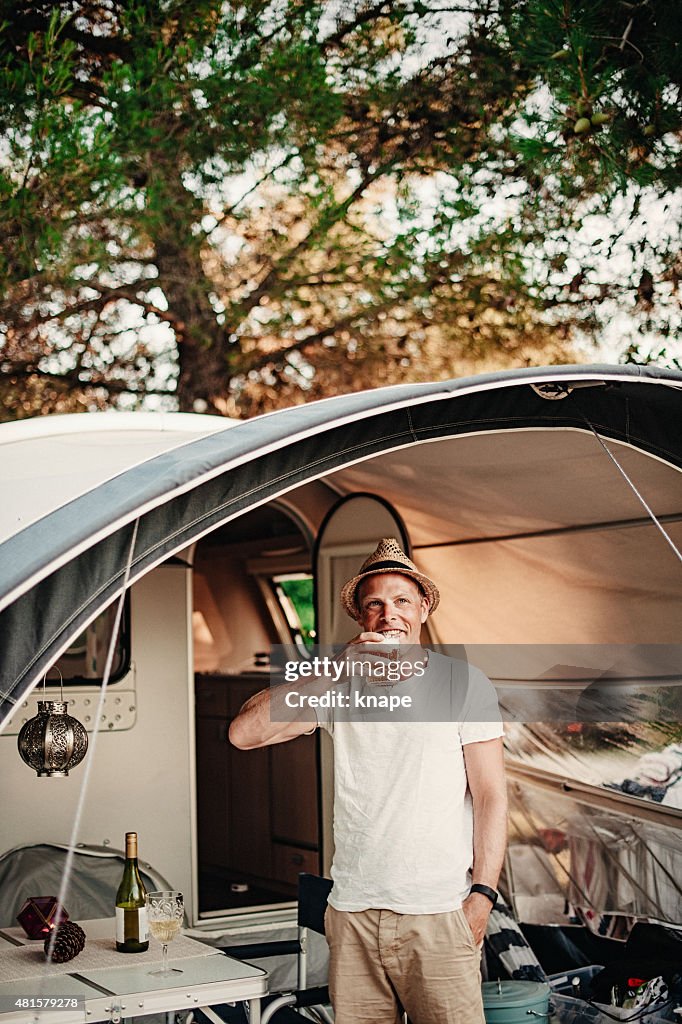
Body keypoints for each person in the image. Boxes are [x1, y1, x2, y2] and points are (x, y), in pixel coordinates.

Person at [230, 538, 507, 1024]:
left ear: (422, 608)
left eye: (402, 600)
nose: (389, 614)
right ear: (361, 618)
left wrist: (482, 896)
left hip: (439, 912)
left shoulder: (463, 683)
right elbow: (244, 734)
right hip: (352, 912)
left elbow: (490, 797)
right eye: (374, 604)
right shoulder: (339, 683)